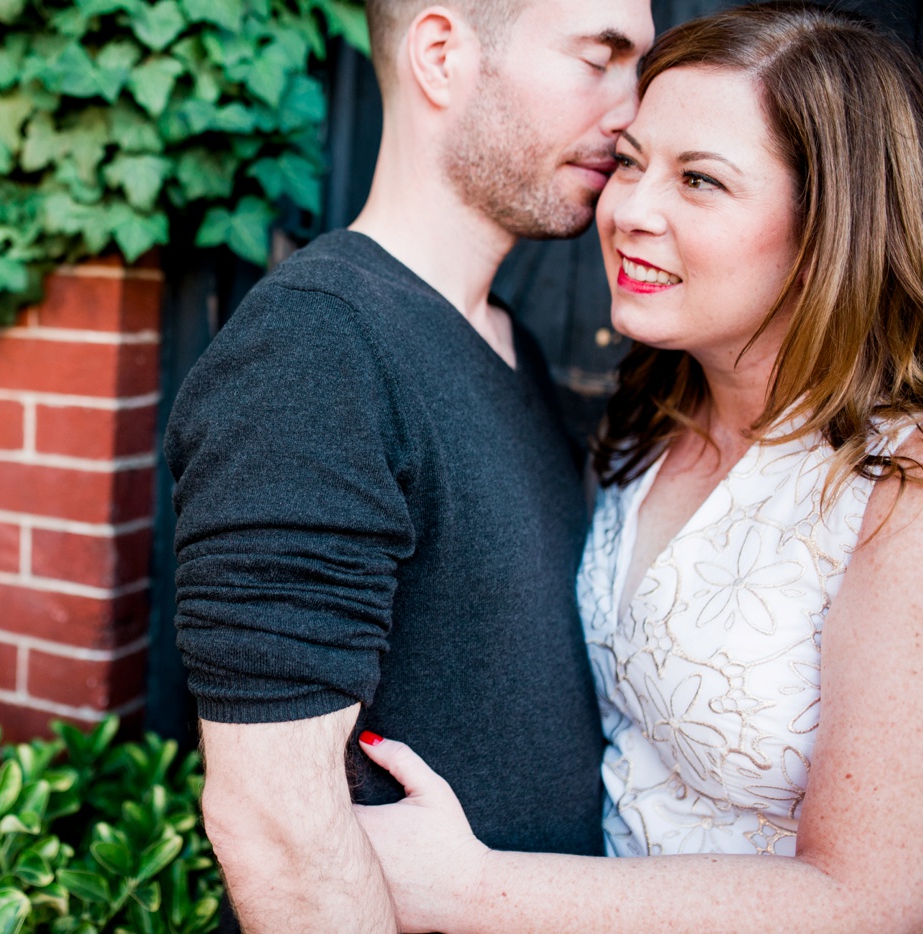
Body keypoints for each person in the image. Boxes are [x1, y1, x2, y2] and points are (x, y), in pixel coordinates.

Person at [352, 3, 923, 931]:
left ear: (831, 223)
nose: (628, 212)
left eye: (699, 180)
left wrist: (469, 887)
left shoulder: (894, 488)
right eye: (630, 162)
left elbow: (873, 902)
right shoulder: (651, 421)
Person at [163, 0, 654, 930]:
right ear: (440, 53)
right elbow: (275, 825)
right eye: (601, 58)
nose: (633, 111)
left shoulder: (513, 347)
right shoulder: (318, 346)